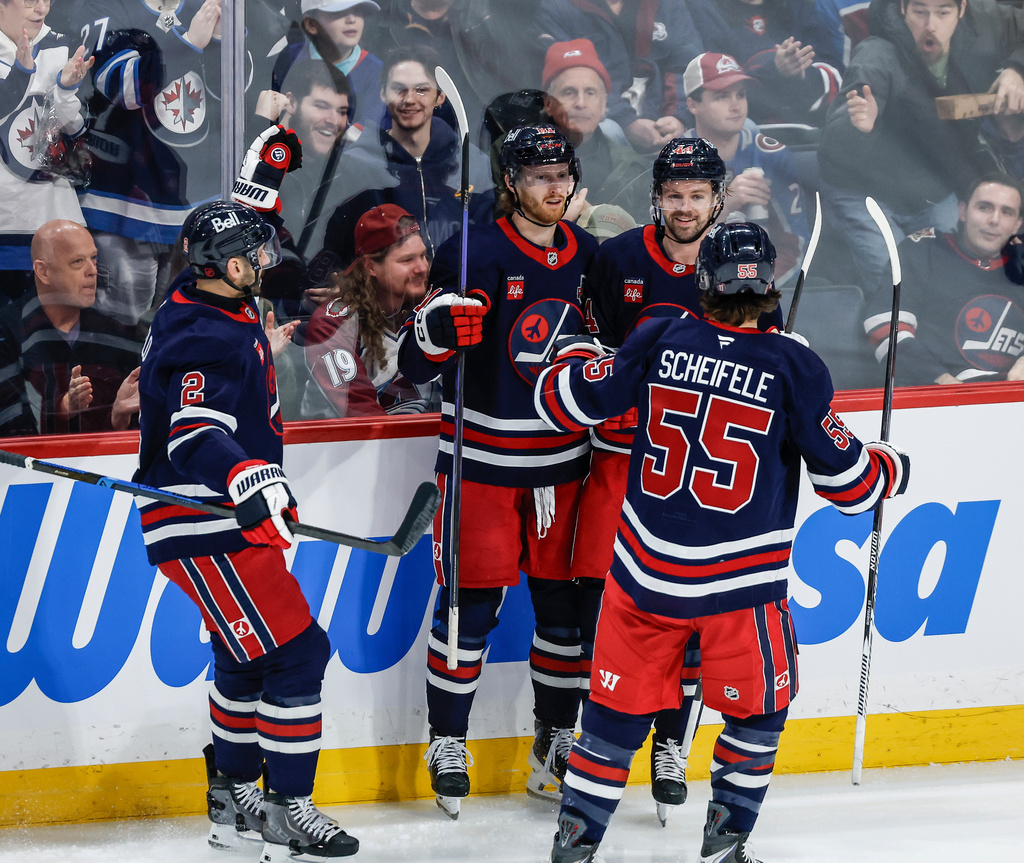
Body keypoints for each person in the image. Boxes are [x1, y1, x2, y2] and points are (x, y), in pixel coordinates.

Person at [535, 221, 911, 863]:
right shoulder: (794, 364)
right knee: (758, 714)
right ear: (771, 283)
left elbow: (565, 402)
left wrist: (570, 356)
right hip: (740, 590)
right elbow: (850, 486)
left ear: (704, 279)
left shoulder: (660, 333)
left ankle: (575, 840)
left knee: (612, 718)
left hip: (642, 577)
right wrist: (891, 466)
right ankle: (725, 842)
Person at [133, 198, 358, 862]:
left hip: (210, 517)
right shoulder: (207, 332)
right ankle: (288, 808)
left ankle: (232, 801)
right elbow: (193, 434)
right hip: (200, 518)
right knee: (298, 652)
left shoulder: (211, 305)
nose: (268, 260)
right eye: (256, 253)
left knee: (247, 656)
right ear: (229, 265)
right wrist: (245, 477)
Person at [567, 136, 783, 827]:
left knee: (693, 621)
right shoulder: (620, 258)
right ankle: (602, 740)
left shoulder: (744, 266)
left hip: (705, 479)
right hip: (624, 462)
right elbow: (598, 351)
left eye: (697, 196)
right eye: (674, 195)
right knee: (618, 608)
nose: (685, 207)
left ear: (717, 199)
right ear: (654, 196)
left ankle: (670, 741)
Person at [397, 124, 599, 819]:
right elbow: (411, 364)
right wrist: (433, 334)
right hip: (481, 467)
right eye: (538, 175)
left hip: (566, 468)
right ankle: (447, 740)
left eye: (562, 174)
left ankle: (556, 741)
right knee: (468, 609)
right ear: (510, 182)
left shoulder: (590, 257)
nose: (553, 187)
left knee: (565, 615)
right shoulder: (473, 252)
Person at [72, 0, 256, 327]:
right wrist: (187, 44)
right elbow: (124, 91)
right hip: (124, 209)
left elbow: (236, 92)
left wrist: (216, 42)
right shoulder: (103, 8)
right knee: (123, 327)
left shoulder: (209, 6)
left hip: (195, 204)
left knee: (192, 326)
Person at [818, 0, 1024, 291]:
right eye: (920, 11)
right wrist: (858, 128)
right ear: (903, 9)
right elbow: (831, 149)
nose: (931, 24)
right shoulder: (877, 54)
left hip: (932, 185)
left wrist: (1017, 69)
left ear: (962, 9)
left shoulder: (986, 21)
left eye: (943, 12)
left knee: (952, 274)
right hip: (864, 191)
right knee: (893, 283)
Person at [312, 44, 494, 272]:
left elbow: (492, 243)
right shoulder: (354, 165)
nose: (409, 99)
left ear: (440, 97)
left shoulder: (473, 165)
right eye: (399, 89)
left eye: (421, 90)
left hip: (454, 301)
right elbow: (333, 247)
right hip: (380, 303)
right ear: (382, 93)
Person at [864, 172, 1024, 386]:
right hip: (935, 399)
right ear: (963, 211)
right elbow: (884, 328)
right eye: (984, 207)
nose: (994, 220)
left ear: (1016, 225)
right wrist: (945, 385)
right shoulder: (923, 250)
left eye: (1006, 212)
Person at [0, 220, 140, 437]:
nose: (93, 271)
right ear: (43, 272)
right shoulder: (7, 333)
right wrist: (62, 410)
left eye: (94, 258)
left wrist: (119, 417)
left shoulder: (113, 334)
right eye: (77, 262)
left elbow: (130, 436)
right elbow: (12, 433)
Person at [683, 52, 810, 284]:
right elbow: (670, 252)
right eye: (722, 97)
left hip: (765, 289)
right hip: (698, 292)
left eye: (741, 95)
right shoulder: (675, 163)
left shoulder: (772, 156)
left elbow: (794, 245)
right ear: (693, 105)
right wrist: (725, 204)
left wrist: (754, 289)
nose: (736, 106)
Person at [301, 203, 436, 416]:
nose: (422, 268)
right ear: (370, 267)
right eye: (407, 260)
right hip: (350, 445)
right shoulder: (332, 324)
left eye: (423, 255)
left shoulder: (433, 305)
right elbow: (360, 413)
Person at [0, 0, 93, 302]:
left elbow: (70, 128)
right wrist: (20, 74)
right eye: (30, 1)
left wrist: (66, 89)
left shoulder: (61, 46)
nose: (41, 9)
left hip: (53, 216)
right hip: (6, 219)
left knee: (51, 333)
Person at [533, 0, 704, 153]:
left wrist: (677, 118)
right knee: (606, 130)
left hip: (666, 119)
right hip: (605, 117)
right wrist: (626, 122)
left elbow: (688, 64)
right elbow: (568, 81)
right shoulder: (558, 7)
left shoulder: (667, 4)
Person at [541, 39, 652, 227]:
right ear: (549, 104)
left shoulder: (636, 169)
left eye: (590, 92)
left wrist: (594, 220)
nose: (581, 103)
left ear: (603, 104)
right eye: (569, 92)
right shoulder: (523, 167)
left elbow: (646, 243)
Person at [687, 0, 844, 126]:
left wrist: (800, 75)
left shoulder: (797, 6)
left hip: (810, 125)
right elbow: (716, 88)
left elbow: (835, 74)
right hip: (745, 130)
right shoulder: (703, 9)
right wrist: (776, 72)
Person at [274, 0, 383, 130]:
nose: (352, 19)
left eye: (358, 11)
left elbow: (371, 131)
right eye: (339, 12)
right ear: (311, 24)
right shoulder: (290, 56)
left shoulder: (376, 71)